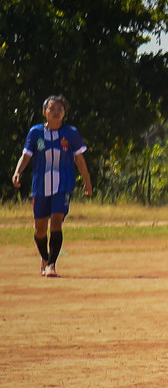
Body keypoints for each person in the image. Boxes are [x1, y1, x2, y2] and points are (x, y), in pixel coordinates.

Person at [15, 96, 90, 278]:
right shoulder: (35, 133)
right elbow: (26, 155)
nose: (56, 112)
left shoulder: (71, 133)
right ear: (44, 112)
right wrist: (18, 172)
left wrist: (87, 180)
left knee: (56, 221)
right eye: (52, 109)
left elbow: (79, 159)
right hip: (40, 184)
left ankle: (51, 265)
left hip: (63, 183)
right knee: (40, 229)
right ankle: (45, 257)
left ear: (64, 113)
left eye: (60, 109)